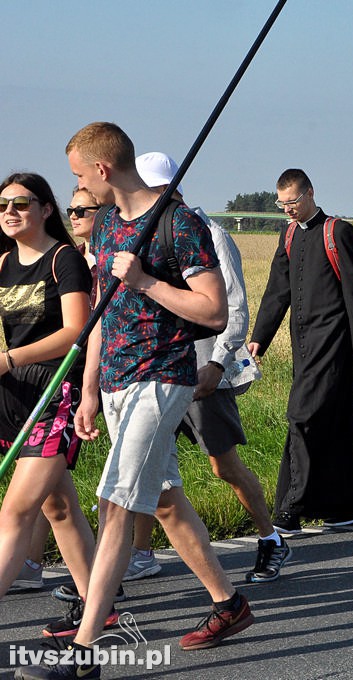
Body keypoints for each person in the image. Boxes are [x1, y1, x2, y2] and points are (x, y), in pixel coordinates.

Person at [24, 122, 252, 678]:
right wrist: (88, 389)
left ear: (102, 170)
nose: (77, 187)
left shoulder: (180, 223)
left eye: (79, 174)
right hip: (117, 382)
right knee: (166, 497)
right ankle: (229, 603)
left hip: (163, 377)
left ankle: (83, 653)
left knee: (116, 503)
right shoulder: (104, 227)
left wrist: (147, 280)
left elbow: (214, 313)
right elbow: (101, 315)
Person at [123, 151, 289, 584]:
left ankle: (271, 539)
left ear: (171, 189)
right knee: (148, 464)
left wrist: (218, 363)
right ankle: (140, 554)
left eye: (155, 190)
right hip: (157, 368)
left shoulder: (207, 232)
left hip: (200, 370)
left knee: (223, 465)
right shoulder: (139, 235)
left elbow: (233, 306)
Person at [248, 169, 353, 536]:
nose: (287, 209)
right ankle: (347, 505)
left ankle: (291, 507)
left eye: (293, 201)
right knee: (335, 421)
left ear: (310, 194)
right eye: (282, 203)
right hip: (302, 344)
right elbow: (278, 290)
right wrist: (260, 336)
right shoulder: (288, 234)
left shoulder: (337, 231)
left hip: (335, 343)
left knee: (301, 417)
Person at [0, 174, 97, 618]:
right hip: (14, 395)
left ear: (45, 210)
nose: (10, 211)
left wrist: (11, 358)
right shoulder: (2, 264)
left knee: (15, 512)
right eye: (3, 204)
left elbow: (75, 331)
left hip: (56, 392)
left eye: (22, 203)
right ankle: (101, 603)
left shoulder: (63, 260)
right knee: (58, 507)